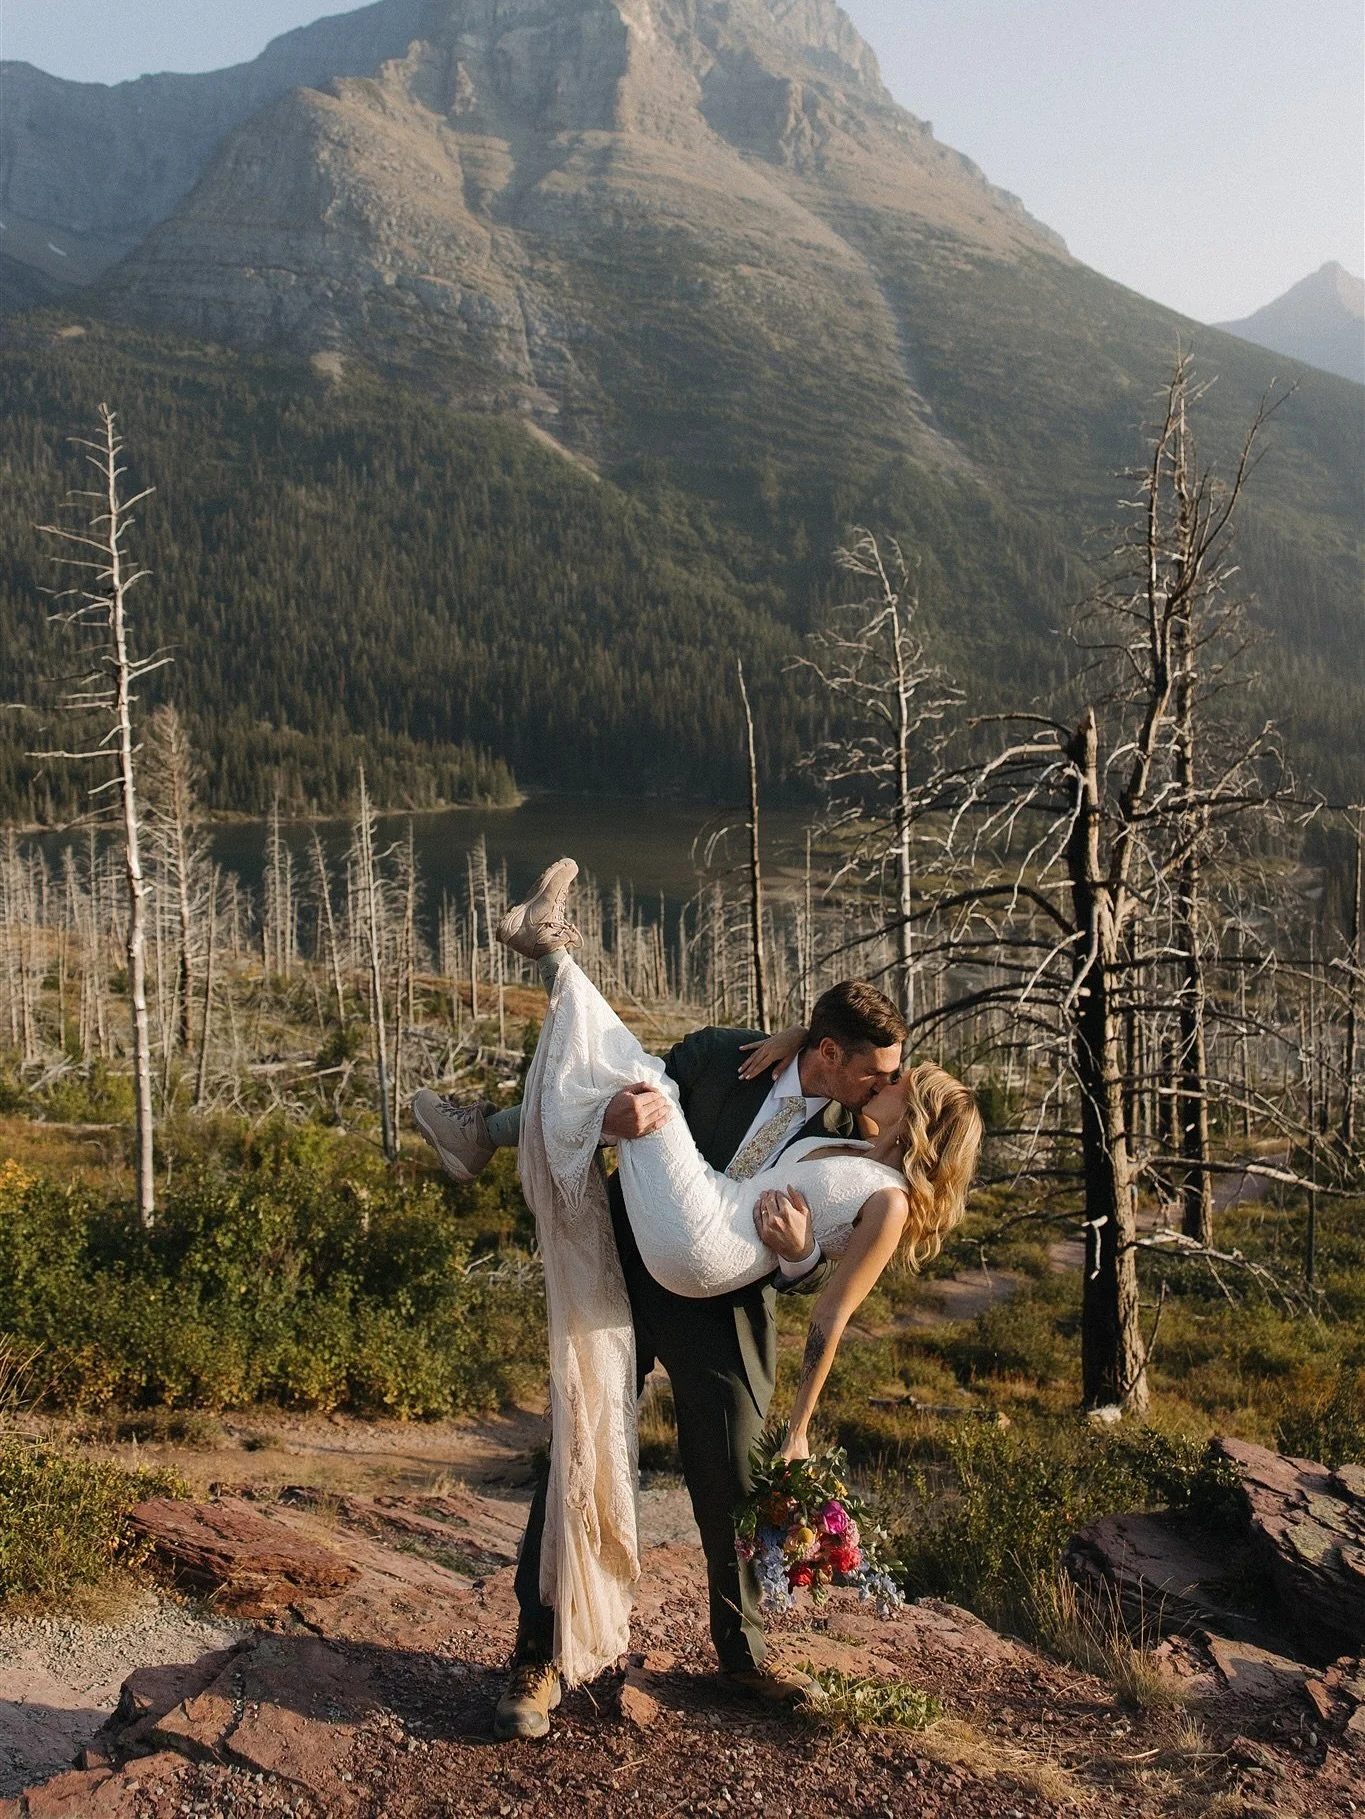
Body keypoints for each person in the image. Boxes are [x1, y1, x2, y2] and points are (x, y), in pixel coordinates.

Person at [413, 859, 981, 1737]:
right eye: (872, 1074)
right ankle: (537, 1655)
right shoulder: (724, 1053)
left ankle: (743, 1656)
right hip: (629, 1268)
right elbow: (610, 1098)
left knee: (734, 1472)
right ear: (828, 1051)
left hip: (724, 1303)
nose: (879, 1088)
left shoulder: (854, 1126)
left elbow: (828, 1252)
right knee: (578, 1441)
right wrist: (607, 1123)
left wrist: (794, 1261)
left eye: (888, 1082)